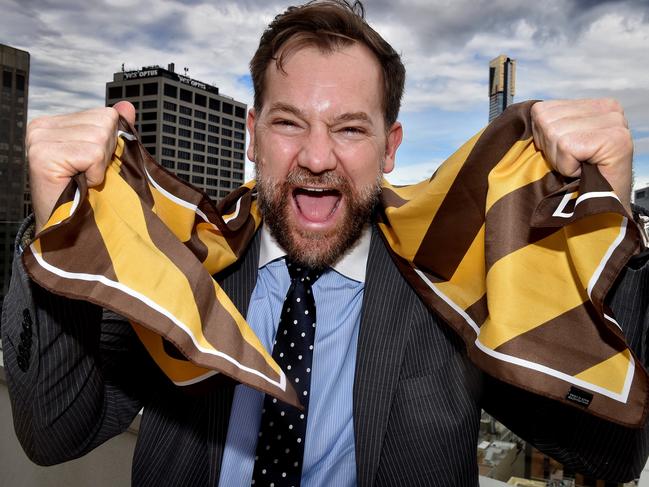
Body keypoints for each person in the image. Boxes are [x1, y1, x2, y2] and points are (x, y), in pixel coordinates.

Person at [3, 0, 648, 485]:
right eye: (289, 123)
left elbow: (610, 453)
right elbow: (55, 430)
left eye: (349, 128)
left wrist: (606, 220)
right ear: (254, 132)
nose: (316, 157)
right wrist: (60, 224)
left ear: (390, 148)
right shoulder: (186, 269)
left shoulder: (451, 289)